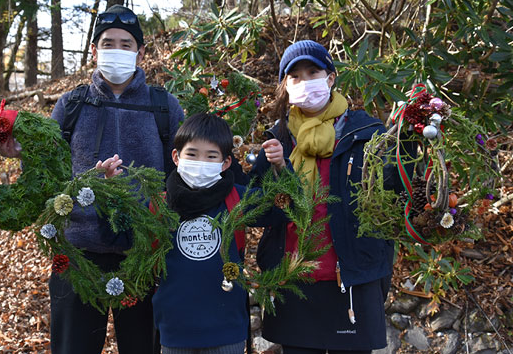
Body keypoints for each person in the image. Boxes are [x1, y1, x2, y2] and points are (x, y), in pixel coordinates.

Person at [0, 5, 185, 354]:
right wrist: (20, 151)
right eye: (108, 43)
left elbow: (184, 171)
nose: (117, 50)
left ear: (140, 52)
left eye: (126, 44)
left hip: (145, 254)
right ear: (94, 51)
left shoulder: (165, 107)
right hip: (77, 254)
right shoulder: (71, 105)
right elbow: (48, 167)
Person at [251, 40, 397, 354]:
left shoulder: (367, 134)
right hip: (294, 278)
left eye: (313, 72)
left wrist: (411, 143)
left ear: (330, 78)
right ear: (285, 86)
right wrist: (277, 171)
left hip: (353, 278)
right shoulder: (278, 138)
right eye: (295, 77)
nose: (305, 82)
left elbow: (393, 193)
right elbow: (259, 211)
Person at [98, 113, 288, 354]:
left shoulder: (237, 199)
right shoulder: (159, 205)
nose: (201, 162)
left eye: (211, 156)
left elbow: (284, 210)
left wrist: (281, 166)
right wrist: (110, 193)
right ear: (176, 157)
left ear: (226, 163)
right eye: (192, 154)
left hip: (227, 330)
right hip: (175, 331)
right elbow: (120, 236)